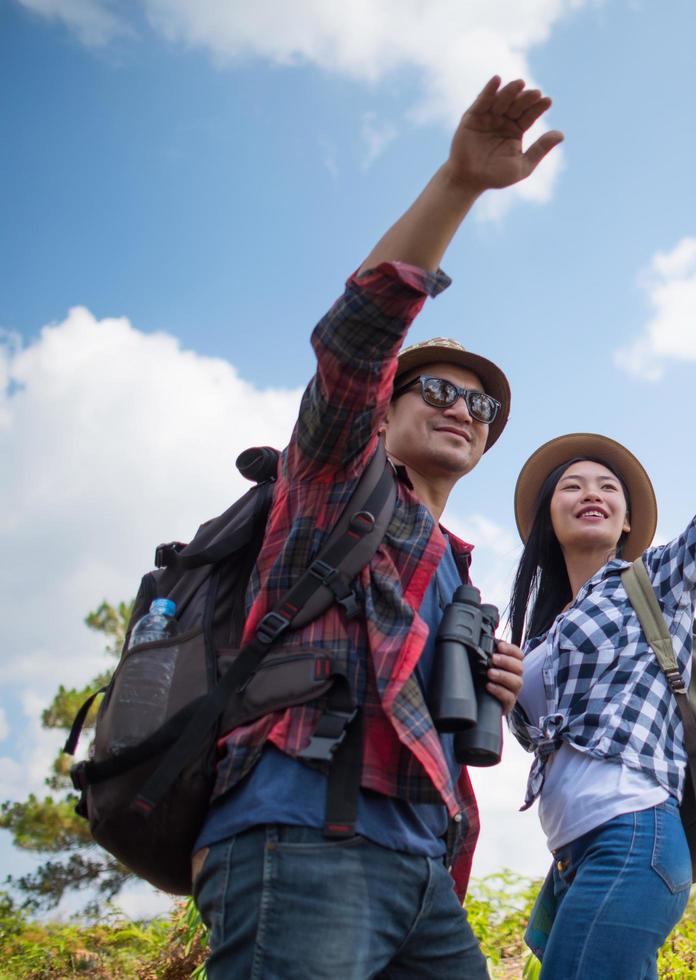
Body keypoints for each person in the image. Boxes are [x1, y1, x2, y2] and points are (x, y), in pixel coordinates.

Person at [189, 74, 561, 978]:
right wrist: (460, 185)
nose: (462, 409)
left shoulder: (457, 570)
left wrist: (484, 685)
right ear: (384, 413)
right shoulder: (332, 481)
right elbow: (355, 341)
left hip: (422, 868)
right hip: (303, 831)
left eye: (480, 407)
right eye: (435, 389)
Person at [506, 277, 696, 978]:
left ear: (627, 521)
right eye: (571, 486)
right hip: (568, 857)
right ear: (548, 518)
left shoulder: (653, 581)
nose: (590, 493)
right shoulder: (531, 640)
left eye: (607, 489)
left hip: (633, 833)